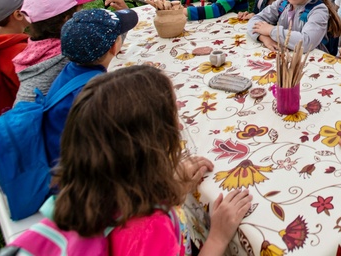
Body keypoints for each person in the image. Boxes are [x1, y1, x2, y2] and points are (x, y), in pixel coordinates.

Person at [49, 65, 252, 255]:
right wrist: (217, 237)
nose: (180, 127)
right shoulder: (149, 231)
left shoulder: (89, 190)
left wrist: (169, 186)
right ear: (147, 146)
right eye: (173, 117)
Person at [43, 7, 138, 167]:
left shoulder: (69, 71)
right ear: (114, 47)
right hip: (79, 174)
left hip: (59, 156)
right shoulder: (100, 95)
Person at [13, 0, 99, 104]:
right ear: (67, 19)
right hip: (51, 120)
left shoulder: (37, 45)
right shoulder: (69, 53)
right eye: (81, 11)